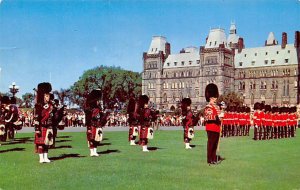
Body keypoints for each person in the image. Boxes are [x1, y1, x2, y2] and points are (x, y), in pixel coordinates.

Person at [34, 82, 55, 163]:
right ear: (42, 96)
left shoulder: (51, 106)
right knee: (40, 143)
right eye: (46, 95)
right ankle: (41, 158)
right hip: (41, 126)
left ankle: (46, 157)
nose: (48, 97)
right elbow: (37, 117)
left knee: (47, 142)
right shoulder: (38, 105)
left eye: (48, 95)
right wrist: (37, 128)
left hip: (49, 126)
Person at [204, 83, 225, 165]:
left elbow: (220, 117)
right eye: (214, 97)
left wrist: (222, 113)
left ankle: (213, 158)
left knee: (215, 144)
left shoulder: (216, 106)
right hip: (211, 127)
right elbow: (208, 117)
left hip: (216, 127)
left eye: (216, 97)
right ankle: (209, 159)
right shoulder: (208, 107)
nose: (216, 99)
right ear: (210, 97)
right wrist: (218, 116)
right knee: (211, 144)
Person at [85, 89, 108, 157]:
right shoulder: (90, 109)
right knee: (91, 138)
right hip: (92, 124)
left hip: (98, 125)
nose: (99, 101)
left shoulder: (98, 108)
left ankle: (95, 151)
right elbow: (88, 117)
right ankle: (91, 151)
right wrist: (89, 126)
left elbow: (100, 117)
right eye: (98, 100)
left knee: (97, 138)